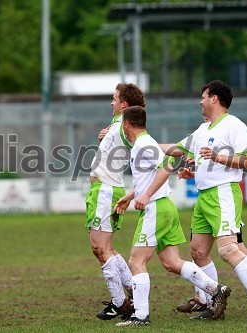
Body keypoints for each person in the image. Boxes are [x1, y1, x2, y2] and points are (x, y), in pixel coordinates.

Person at [160, 80, 247, 322]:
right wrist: (141, 144)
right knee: (198, 252)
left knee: (229, 248)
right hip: (204, 197)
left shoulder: (234, 125)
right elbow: (177, 149)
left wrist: (218, 157)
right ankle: (213, 303)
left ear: (214, 98)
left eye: (203, 97)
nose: (200, 102)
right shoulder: (203, 130)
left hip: (223, 194)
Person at [113, 105, 231, 327]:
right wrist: (132, 196)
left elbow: (168, 165)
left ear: (126, 124)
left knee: (136, 261)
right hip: (164, 208)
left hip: (156, 208)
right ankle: (215, 289)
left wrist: (146, 195)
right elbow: (148, 176)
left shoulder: (143, 145)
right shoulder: (144, 143)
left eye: (122, 124)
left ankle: (140, 316)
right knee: (171, 262)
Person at [175, 162, 247, 319]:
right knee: (214, 249)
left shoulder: (228, 139)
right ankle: (207, 300)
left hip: (225, 196)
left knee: (233, 247)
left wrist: (214, 157)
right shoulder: (206, 141)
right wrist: (197, 172)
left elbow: (243, 160)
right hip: (213, 195)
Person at [85, 83, 145, 320]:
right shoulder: (118, 125)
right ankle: (134, 292)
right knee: (105, 248)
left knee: (100, 248)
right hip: (103, 190)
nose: (111, 102)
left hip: (106, 191)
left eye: (114, 99)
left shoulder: (124, 126)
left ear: (124, 105)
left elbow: (135, 141)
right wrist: (106, 133)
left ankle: (121, 303)